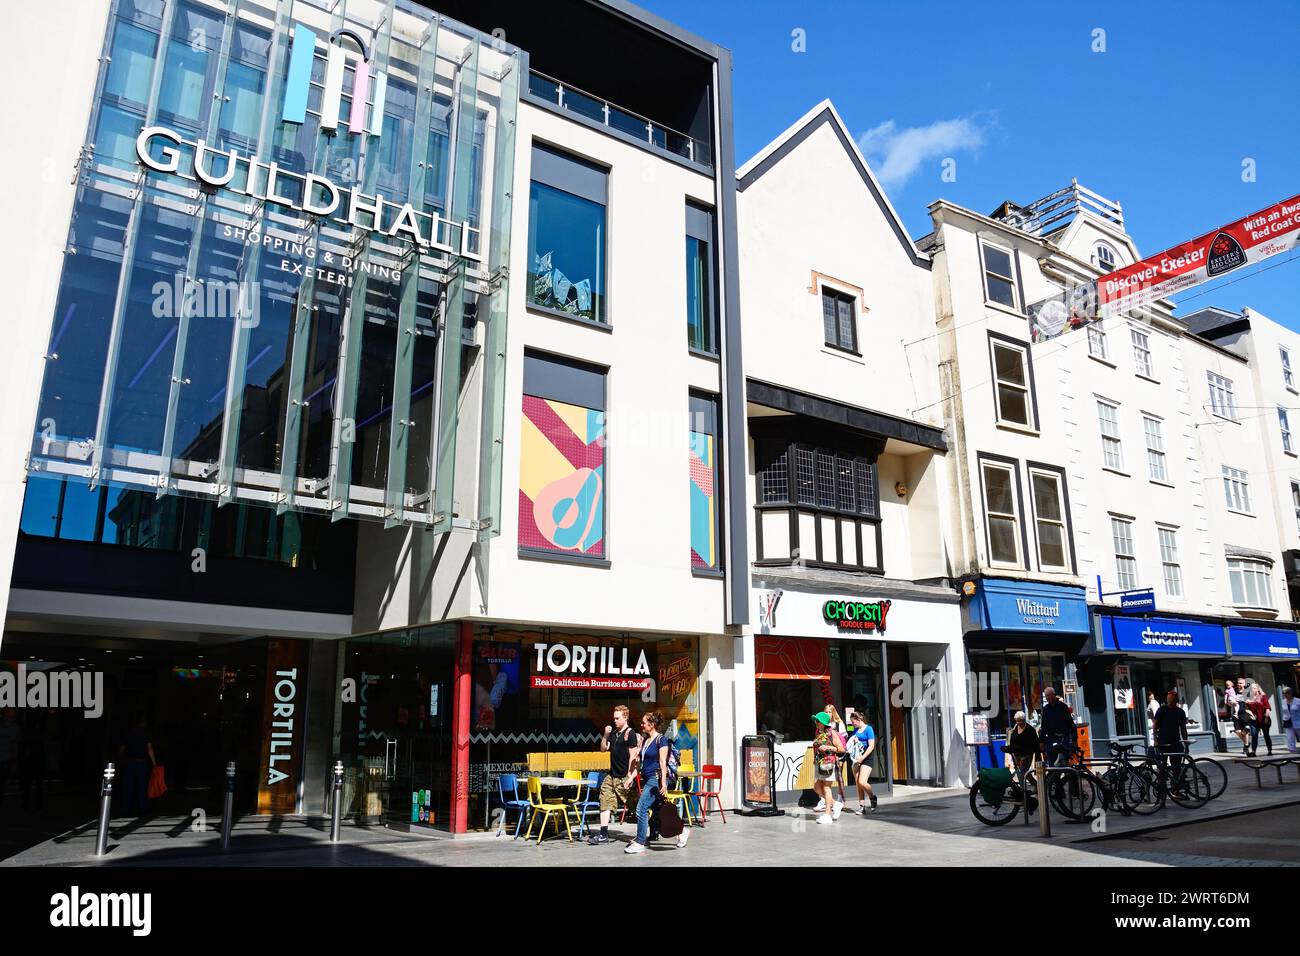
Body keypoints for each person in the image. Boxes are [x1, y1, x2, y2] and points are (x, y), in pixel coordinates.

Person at [625, 710, 687, 854]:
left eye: (644, 723)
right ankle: (682, 832)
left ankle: (640, 841)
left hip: (655, 779)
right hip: (647, 778)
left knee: (641, 809)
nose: (641, 725)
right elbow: (640, 766)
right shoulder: (646, 741)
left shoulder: (661, 740)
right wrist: (631, 778)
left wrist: (664, 784)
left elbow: (662, 762)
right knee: (659, 811)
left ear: (652, 724)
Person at [589, 704, 639, 845]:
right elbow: (603, 749)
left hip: (624, 776)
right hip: (612, 775)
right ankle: (604, 834)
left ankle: (653, 827)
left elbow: (633, 757)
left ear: (625, 717)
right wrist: (605, 734)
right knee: (604, 800)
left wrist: (630, 776)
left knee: (636, 806)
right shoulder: (614, 734)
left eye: (617, 718)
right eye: (614, 718)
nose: (615, 720)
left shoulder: (630, 734)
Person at [118, 713, 156, 817]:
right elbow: (149, 749)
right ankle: (142, 810)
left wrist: (121, 760)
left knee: (127, 787)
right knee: (142, 787)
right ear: (143, 723)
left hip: (129, 762)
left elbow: (122, 748)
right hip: (141, 762)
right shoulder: (145, 733)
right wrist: (154, 763)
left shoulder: (128, 733)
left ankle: (125, 810)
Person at [810, 711, 845, 823]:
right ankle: (836, 804)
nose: (816, 723)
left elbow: (841, 749)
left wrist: (827, 747)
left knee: (826, 788)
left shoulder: (832, 733)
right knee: (817, 788)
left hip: (828, 763)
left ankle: (827, 815)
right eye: (815, 720)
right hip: (819, 763)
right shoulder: (818, 732)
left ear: (823, 722)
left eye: (818, 721)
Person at [1152, 689, 1189, 779]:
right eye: (1169, 700)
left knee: (1176, 767)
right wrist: (1156, 740)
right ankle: (1162, 788)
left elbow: (1183, 728)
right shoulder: (1162, 710)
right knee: (1162, 768)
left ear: (1176, 701)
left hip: (1175, 742)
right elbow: (1155, 724)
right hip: (1163, 742)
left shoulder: (1180, 712)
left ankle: (1175, 787)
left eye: (1172, 701)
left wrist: (1185, 741)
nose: (1170, 702)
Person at [846, 711, 877, 814]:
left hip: (866, 758)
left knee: (862, 782)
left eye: (853, 722)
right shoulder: (855, 731)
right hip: (856, 758)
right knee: (858, 784)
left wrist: (862, 758)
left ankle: (872, 797)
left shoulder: (869, 729)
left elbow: (871, 746)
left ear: (859, 720)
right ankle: (861, 806)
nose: (852, 724)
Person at [1039, 687, 1076, 767]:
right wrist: (1041, 741)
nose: (1047, 697)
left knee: (1064, 762)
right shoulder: (1046, 709)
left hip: (1063, 738)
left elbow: (1070, 723)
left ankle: (1066, 778)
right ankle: (1055, 779)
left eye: (1049, 695)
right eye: (1046, 696)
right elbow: (1044, 726)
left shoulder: (1062, 707)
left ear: (1054, 695)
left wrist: (1074, 739)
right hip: (1051, 738)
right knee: (1052, 763)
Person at [1246, 685, 1273, 757]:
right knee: (1254, 735)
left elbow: (1267, 707)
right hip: (1254, 721)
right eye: (1251, 688)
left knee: (1266, 735)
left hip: (1263, 719)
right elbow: (1247, 709)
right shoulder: (1249, 698)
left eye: (1254, 688)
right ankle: (1253, 752)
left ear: (1257, 689)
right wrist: (1250, 714)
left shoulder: (1262, 696)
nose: (1252, 690)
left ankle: (1269, 750)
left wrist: (1266, 717)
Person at [0, 708, 17, 807]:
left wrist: (13, 761)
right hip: (5, 758)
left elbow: (14, 745)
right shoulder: (12, 728)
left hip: (5, 759)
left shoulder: (14, 728)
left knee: (2, 782)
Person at [1281, 687, 1300, 754]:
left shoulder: (1298, 701)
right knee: (1290, 737)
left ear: (1291, 693)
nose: (1285, 695)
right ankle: (1292, 752)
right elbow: (1284, 712)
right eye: (1284, 693)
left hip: (1298, 722)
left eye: (1286, 693)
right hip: (1288, 722)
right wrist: (1284, 719)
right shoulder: (1283, 701)